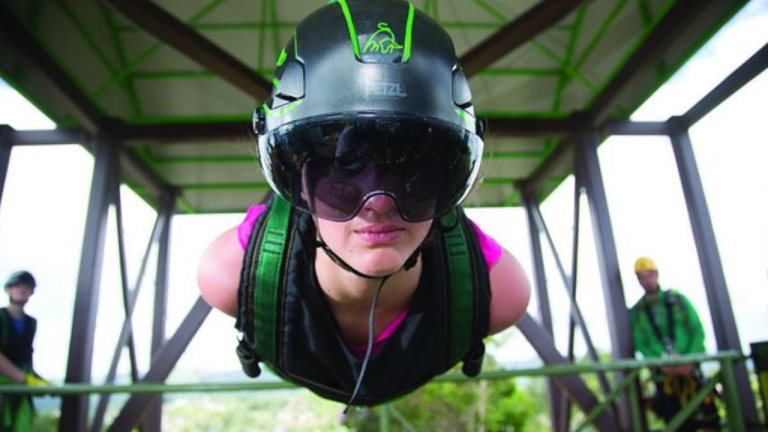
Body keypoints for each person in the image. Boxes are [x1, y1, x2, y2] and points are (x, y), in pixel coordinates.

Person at [197, 0, 531, 416]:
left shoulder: (497, 292)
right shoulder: (232, 274)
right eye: (342, 166)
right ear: (297, 178)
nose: (378, 203)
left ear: (447, 178)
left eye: (411, 168)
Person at [629, 257, 720, 432]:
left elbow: (697, 330)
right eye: (642, 277)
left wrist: (690, 359)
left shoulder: (678, 300)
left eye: (649, 275)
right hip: (665, 377)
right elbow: (640, 343)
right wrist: (662, 363)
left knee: (709, 419)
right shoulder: (638, 312)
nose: (647, 280)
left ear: (656, 275)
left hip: (691, 373)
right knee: (676, 422)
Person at [0, 270, 49, 432]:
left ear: (31, 292)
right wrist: (25, 379)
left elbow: (25, 357)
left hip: (19, 390)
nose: (21, 290)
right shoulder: (1, 317)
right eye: (17, 286)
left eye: (26, 287)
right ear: (8, 289)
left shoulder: (31, 323)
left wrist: (36, 379)